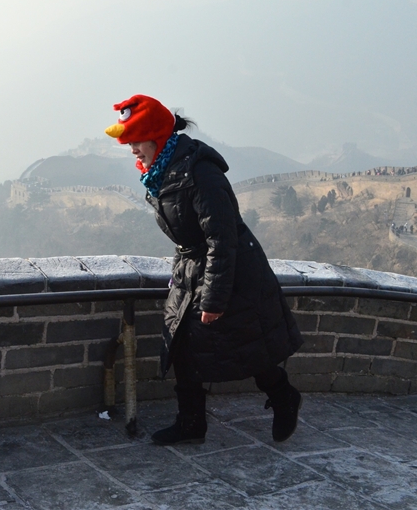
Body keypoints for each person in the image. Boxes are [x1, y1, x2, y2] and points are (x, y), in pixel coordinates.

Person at [105, 94, 304, 444]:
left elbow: (222, 238)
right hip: (191, 268)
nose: (133, 150)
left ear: (156, 137)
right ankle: (191, 422)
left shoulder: (199, 171)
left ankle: (283, 395)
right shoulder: (162, 171)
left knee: (247, 345)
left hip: (233, 270)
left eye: (136, 141)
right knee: (182, 345)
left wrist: (213, 299)